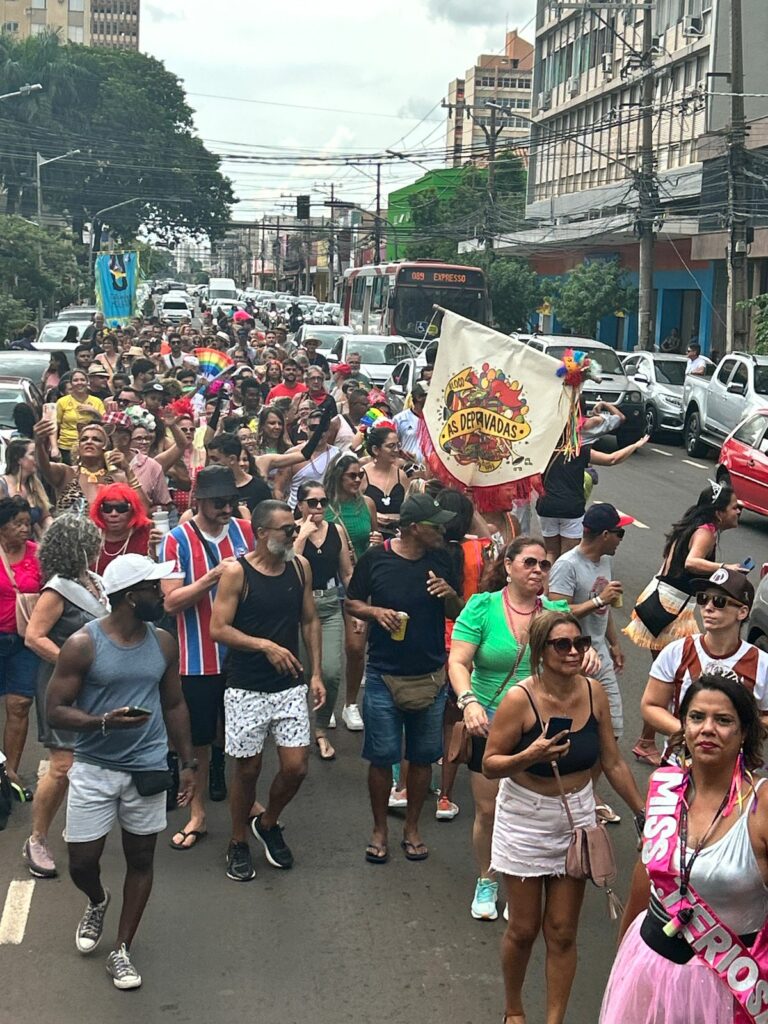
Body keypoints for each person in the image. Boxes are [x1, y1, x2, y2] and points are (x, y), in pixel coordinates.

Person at [483, 610, 643, 1024]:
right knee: (523, 929)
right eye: (562, 644)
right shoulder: (519, 699)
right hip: (525, 818)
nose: (574, 652)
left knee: (562, 931)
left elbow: (613, 761)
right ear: (541, 651)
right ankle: (514, 1010)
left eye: (580, 643)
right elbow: (491, 764)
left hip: (576, 818)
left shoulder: (594, 692)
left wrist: (644, 812)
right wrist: (529, 754)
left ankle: (554, 1020)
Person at [46, 554, 196, 991]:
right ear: (131, 597)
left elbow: (174, 704)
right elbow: (55, 710)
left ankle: (122, 949)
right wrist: (102, 722)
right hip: (95, 767)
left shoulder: (164, 643)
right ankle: (97, 900)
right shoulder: (83, 645)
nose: (163, 595)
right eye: (154, 588)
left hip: (147, 767)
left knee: (141, 859)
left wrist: (188, 763)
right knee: (81, 862)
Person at [600, 674, 768, 1024]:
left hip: (727, 985)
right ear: (684, 726)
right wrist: (621, 957)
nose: (707, 729)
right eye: (696, 717)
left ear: (744, 733)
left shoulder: (762, 806)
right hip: (649, 962)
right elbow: (646, 876)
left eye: (723, 720)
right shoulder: (664, 788)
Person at [448, 538, 572, 920]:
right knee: (489, 810)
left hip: (540, 722)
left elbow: (572, 658)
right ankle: (486, 879)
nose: (538, 570)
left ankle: (522, 882)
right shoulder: (482, 607)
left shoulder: (555, 613)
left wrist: (585, 659)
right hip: (488, 721)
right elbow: (458, 662)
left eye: (544, 565)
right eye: (529, 562)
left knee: (534, 809)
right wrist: (468, 702)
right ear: (508, 566)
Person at [209, 500, 325, 880]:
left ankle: (268, 822)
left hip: (289, 685)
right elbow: (218, 629)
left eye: (295, 528)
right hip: (246, 686)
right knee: (248, 770)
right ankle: (238, 841)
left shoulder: (300, 567)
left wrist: (316, 673)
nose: (295, 534)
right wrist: (264, 646)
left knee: (296, 767)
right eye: (287, 530)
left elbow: (310, 620)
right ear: (261, 533)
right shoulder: (236, 573)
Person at [345, 493, 463, 864]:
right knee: (381, 758)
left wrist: (450, 595)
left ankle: (412, 828)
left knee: (422, 758)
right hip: (384, 674)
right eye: (434, 525)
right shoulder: (376, 559)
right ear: (412, 528)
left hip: (430, 674)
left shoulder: (442, 559)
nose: (442, 530)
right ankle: (379, 829)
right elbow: (351, 602)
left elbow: (459, 610)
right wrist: (375, 613)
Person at [160, 466, 254, 850]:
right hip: (198, 657)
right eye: (219, 502)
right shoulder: (176, 539)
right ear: (199, 501)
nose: (227, 508)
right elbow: (171, 601)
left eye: (231, 500)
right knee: (198, 738)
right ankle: (197, 812)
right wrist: (212, 577)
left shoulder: (245, 531)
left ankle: (246, 801)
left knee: (243, 733)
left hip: (242, 654)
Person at [625, 480, 744, 761]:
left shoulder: (695, 526)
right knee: (673, 679)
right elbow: (692, 562)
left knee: (669, 679)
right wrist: (725, 568)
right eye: (733, 507)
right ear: (718, 513)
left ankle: (648, 741)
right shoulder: (706, 531)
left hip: (661, 599)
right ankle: (652, 742)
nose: (739, 510)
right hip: (671, 608)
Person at [23, 515, 108, 879]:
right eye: (91, 542)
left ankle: (76, 828)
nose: (97, 547)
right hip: (61, 686)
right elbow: (34, 637)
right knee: (62, 765)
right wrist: (71, 663)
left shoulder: (93, 581)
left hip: (90, 686)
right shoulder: (57, 590)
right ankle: (36, 840)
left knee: (85, 762)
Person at [549, 502, 632, 813]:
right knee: (573, 729)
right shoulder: (567, 565)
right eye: (620, 533)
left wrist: (614, 643)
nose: (621, 540)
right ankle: (569, 791)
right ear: (605, 534)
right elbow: (556, 612)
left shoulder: (604, 561)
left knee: (613, 728)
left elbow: (604, 609)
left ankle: (587, 792)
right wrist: (598, 599)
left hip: (601, 656)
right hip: (574, 660)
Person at [640, 566, 768, 741]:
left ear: (742, 612)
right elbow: (651, 705)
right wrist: (690, 734)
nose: (708, 607)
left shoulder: (762, 663)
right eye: (703, 598)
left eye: (719, 601)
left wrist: (733, 734)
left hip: (735, 758)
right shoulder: (676, 651)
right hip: (680, 755)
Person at [293, 480, 354, 760]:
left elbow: (347, 573)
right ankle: (296, 731)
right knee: (302, 674)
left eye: (323, 502)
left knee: (330, 671)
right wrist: (301, 536)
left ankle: (320, 728)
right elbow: (286, 567)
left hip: (329, 604)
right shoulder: (291, 530)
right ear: (300, 505)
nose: (319, 507)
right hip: (297, 609)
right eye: (312, 502)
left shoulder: (336, 530)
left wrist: (356, 608)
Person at [324, 453, 381, 731]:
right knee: (327, 656)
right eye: (352, 475)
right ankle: (326, 705)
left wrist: (376, 543)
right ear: (338, 476)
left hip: (358, 582)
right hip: (326, 584)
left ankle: (350, 704)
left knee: (356, 648)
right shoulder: (323, 507)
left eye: (360, 475)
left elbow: (375, 539)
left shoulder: (367, 504)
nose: (357, 480)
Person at [536, 433, 648, 562]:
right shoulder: (579, 450)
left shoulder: (544, 450)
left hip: (546, 506)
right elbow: (612, 459)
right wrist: (635, 445)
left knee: (551, 552)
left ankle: (547, 575)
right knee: (567, 556)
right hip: (571, 508)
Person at [0, 497, 42, 802]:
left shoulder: (37, 554)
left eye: (28, 523)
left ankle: (10, 774)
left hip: (25, 641)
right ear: (2, 527)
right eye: (18, 524)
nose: (25, 529)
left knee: (19, 704)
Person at [90, 484, 152, 575]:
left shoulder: (147, 533)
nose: (113, 514)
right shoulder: (90, 535)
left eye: (121, 508)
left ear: (133, 509)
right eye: (107, 508)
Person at [361, 423, 408, 538]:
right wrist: (375, 515)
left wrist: (395, 518)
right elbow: (355, 506)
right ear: (376, 449)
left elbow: (408, 508)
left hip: (397, 536)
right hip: (372, 536)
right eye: (391, 446)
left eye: (398, 445)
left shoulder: (401, 475)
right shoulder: (362, 475)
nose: (396, 450)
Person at [0, 438, 52, 539]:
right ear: (18, 459)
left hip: (31, 542)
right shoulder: (2, 485)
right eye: (33, 454)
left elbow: (45, 517)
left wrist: (53, 530)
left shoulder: (35, 486)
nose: (37, 458)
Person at [55, 369, 106, 465]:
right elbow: (55, 426)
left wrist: (94, 411)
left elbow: (105, 424)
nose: (79, 383)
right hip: (66, 446)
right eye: (76, 380)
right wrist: (54, 447)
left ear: (87, 382)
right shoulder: (62, 402)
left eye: (82, 380)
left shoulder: (97, 401)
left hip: (91, 446)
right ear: (71, 384)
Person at [394, 383, 428, 464]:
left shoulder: (437, 419)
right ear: (419, 397)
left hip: (431, 469)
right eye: (429, 395)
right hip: (408, 468)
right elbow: (391, 444)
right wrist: (401, 453)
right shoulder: (400, 419)